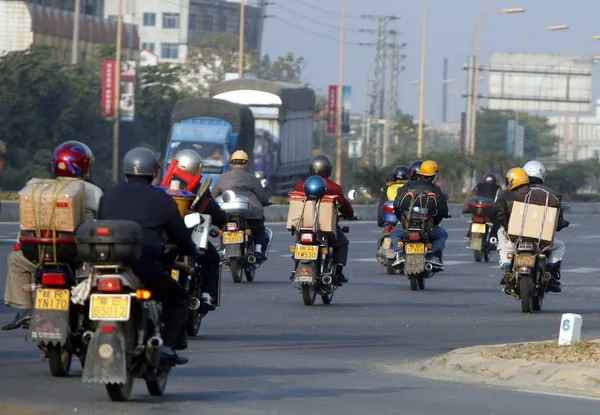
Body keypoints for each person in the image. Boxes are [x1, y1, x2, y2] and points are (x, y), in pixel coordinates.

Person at [96, 147, 195, 365]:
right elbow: (180, 236)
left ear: (125, 171)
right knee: (179, 298)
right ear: (154, 173)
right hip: (145, 270)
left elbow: (99, 223)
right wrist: (191, 249)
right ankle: (168, 347)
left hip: (107, 268)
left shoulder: (108, 195)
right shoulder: (163, 199)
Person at [2, 141, 103, 331]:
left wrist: (20, 245)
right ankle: (92, 312)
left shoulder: (39, 188)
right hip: (76, 256)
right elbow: (104, 220)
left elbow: (26, 223)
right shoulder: (94, 192)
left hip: (39, 254)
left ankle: (24, 309)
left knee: (15, 260)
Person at [169, 149, 227, 309]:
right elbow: (213, 210)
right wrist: (223, 221)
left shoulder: (163, 185)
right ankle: (207, 295)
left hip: (164, 238)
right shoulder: (198, 190)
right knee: (212, 259)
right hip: (188, 238)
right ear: (196, 167)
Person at [295, 155, 354, 285]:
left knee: (298, 243)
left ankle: (296, 267)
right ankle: (338, 273)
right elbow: (344, 206)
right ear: (328, 170)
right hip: (326, 228)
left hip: (304, 225)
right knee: (342, 243)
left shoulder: (300, 185)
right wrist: (349, 214)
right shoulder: (334, 188)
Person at [212, 150, 270, 263]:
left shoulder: (222, 178)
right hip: (251, 214)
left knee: (223, 228)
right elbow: (262, 198)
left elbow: (214, 196)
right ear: (246, 164)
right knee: (259, 228)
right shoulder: (252, 179)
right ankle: (258, 250)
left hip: (227, 214)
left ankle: (224, 249)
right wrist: (266, 202)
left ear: (232, 163)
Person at [391, 160, 449, 269]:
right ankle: (432, 255)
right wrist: (434, 223)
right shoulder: (435, 189)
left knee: (395, 234)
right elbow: (442, 210)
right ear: (433, 175)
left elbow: (396, 205)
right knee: (442, 235)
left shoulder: (408, 186)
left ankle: (401, 254)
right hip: (427, 227)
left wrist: (403, 221)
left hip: (407, 226)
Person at [523, 160, 569, 288]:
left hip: (518, 235)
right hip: (541, 238)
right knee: (560, 246)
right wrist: (560, 224)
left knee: (506, 245)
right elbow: (558, 218)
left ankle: (507, 268)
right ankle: (549, 272)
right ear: (542, 175)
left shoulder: (517, 192)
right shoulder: (552, 194)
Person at [462, 172, 502, 240]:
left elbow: (470, 196)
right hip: (489, 212)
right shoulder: (498, 188)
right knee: (496, 222)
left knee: (474, 217)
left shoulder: (478, 186)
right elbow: (502, 200)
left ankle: (470, 234)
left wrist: (467, 208)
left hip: (477, 210)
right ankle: (493, 238)